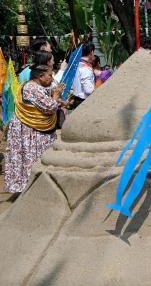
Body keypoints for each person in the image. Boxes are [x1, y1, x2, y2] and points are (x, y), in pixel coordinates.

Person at [4, 58, 64, 193]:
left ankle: (34, 186)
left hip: (31, 126)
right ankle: (31, 187)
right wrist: (56, 95)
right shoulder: (32, 88)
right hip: (29, 128)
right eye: (50, 75)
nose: (51, 78)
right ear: (41, 76)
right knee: (30, 156)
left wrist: (56, 97)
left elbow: (45, 102)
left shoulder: (33, 86)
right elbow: (49, 106)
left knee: (29, 156)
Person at [70, 42, 96, 109]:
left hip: (76, 100)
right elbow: (89, 90)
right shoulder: (85, 68)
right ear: (91, 52)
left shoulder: (75, 66)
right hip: (84, 102)